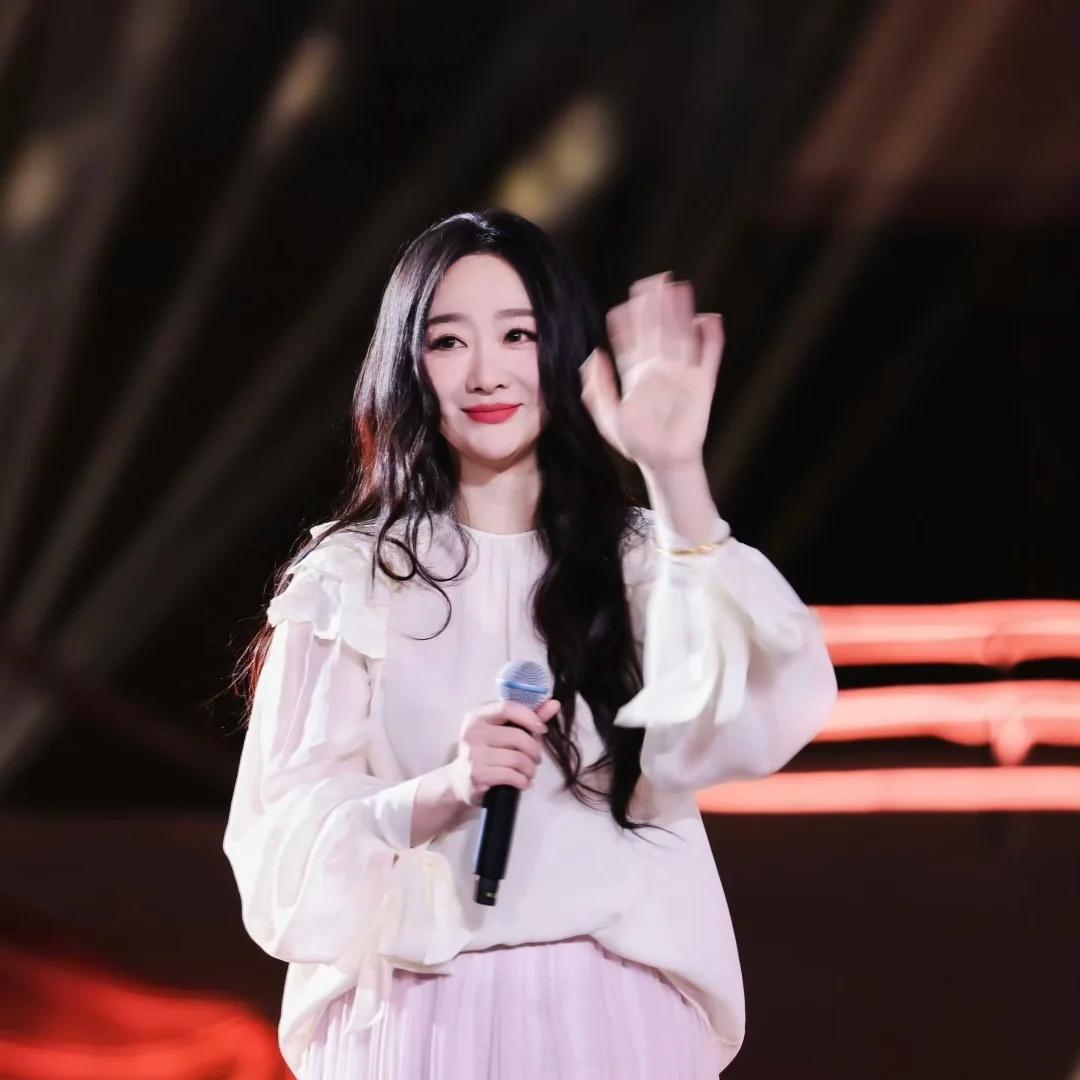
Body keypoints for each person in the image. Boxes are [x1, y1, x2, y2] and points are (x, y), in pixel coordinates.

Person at [223, 208, 837, 1078]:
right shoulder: (352, 579)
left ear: (562, 349)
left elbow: (766, 706)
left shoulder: (638, 561)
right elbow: (278, 856)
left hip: (612, 1014)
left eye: (518, 334)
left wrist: (674, 473)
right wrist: (442, 791)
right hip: (420, 1015)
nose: (486, 372)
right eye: (448, 341)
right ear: (408, 366)